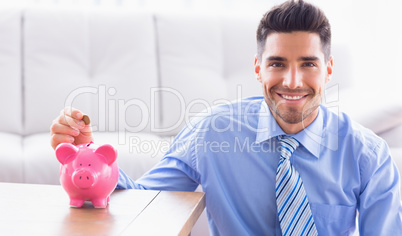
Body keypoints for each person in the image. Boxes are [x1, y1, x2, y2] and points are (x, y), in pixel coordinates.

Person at [50, 0, 402, 235]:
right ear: (258, 69)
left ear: (327, 70)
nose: (292, 82)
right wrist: (89, 157)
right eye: (277, 63)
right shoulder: (211, 134)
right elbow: (145, 202)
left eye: (307, 64)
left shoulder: (367, 155)